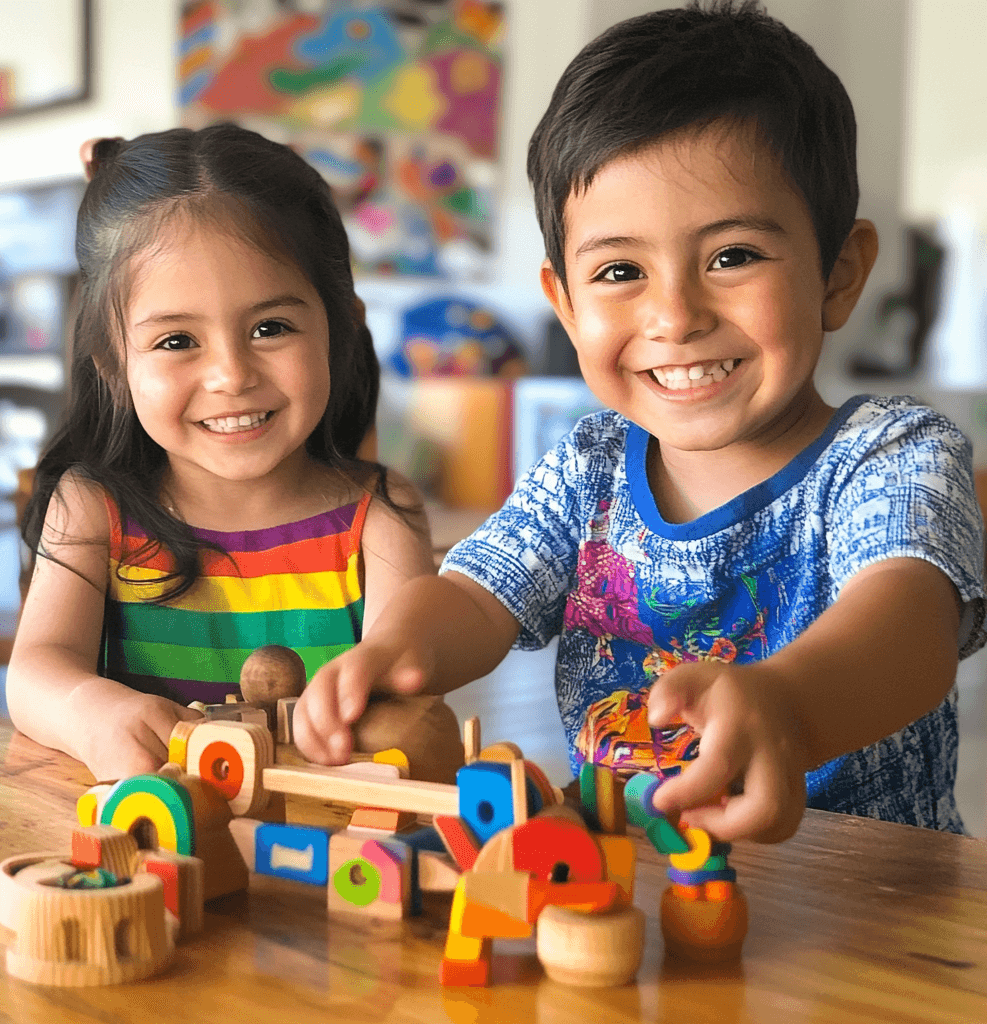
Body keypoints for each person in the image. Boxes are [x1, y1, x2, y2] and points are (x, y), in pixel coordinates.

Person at [294, 0, 986, 842]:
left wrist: (789, 706)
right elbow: (473, 598)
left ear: (839, 275)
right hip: (628, 888)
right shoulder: (584, 467)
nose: (674, 315)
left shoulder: (894, 454)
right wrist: (394, 650)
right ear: (567, 304)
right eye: (620, 270)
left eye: (732, 257)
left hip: (873, 908)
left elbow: (909, 627)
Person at [6, 124, 433, 782]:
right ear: (115, 367)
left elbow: (407, 701)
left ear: (340, 329)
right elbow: (34, 675)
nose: (231, 375)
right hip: (153, 848)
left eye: (271, 328)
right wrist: (92, 713)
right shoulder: (95, 508)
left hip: (333, 853)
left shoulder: (381, 515)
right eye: (177, 341)